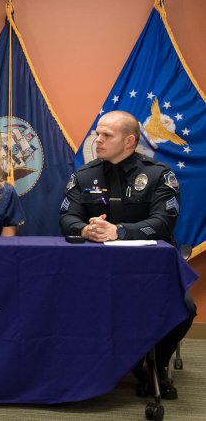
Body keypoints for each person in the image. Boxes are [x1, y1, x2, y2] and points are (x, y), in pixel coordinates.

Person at [60, 110, 195, 399]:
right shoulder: (84, 175)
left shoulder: (160, 176)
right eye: (97, 134)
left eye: (106, 135)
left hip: (150, 271)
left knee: (185, 307)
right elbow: (67, 218)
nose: (98, 140)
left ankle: (155, 367)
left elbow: (162, 223)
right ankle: (120, 363)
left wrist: (119, 231)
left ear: (129, 141)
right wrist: (85, 230)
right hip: (97, 270)